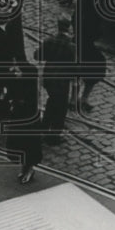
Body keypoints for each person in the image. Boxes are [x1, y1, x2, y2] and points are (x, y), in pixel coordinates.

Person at [39, 16, 75, 145]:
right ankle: (53, 136)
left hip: (49, 79)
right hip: (62, 82)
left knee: (52, 101)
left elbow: (37, 55)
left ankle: (43, 126)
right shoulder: (71, 46)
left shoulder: (49, 41)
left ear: (58, 26)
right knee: (60, 109)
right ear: (69, 27)